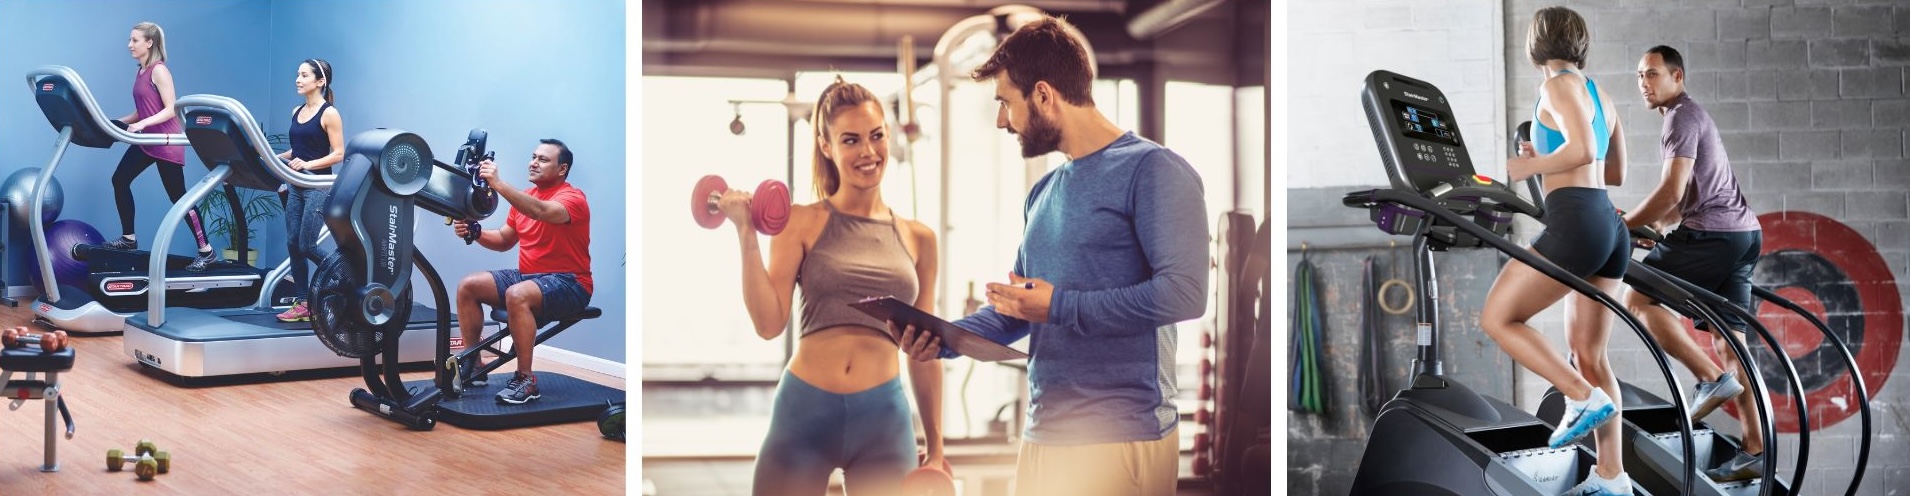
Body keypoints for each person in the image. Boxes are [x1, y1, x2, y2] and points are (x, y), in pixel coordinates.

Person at [897, 16, 1209, 496]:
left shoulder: (1154, 170)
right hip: (1043, 434)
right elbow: (1020, 308)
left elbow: (1185, 295)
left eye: (1005, 103)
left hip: (1120, 436)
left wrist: (1058, 305)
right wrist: (943, 338)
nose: (1002, 120)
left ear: (1043, 94)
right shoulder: (1043, 191)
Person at [714, 77, 945, 496]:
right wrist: (747, 233)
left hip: (884, 418)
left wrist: (937, 445)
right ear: (826, 146)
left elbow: (924, 352)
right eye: (851, 140)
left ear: (888, 137)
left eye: (876, 136)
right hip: (805, 410)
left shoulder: (920, 238)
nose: (868, 152)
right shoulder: (799, 221)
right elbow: (768, 324)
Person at [1486, 7, 1635, 495]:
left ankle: (1577, 396)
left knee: (1499, 318)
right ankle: (1612, 478)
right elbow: (1613, 173)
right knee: (1589, 355)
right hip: (1608, 225)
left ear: (1535, 45)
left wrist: (1528, 168)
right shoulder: (1601, 95)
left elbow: (1581, 148)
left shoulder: (1556, 86)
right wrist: (1544, 161)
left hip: (1578, 221)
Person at [1624, 44, 1767, 482]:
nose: (1644, 83)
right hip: (1744, 235)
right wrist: (1642, 228)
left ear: (1677, 76)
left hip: (1713, 234)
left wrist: (1622, 225)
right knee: (1732, 344)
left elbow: (1671, 191)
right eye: (1639, 77)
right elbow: (1677, 205)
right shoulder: (1692, 116)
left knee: (1638, 299)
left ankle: (1708, 379)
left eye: (1652, 74)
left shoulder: (1680, 117)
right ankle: (1754, 450)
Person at [450, 139, 592, 405]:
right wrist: (475, 232)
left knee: (517, 294)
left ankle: (525, 379)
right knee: (468, 285)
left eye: (543, 159)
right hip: (529, 276)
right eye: (533, 156)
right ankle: (475, 365)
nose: (533, 162)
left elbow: (541, 211)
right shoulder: (524, 200)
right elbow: (504, 240)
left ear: (562, 169)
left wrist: (498, 184)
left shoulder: (573, 199)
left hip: (570, 282)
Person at [104, 21, 219, 271]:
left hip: (165, 141)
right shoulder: (141, 70)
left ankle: (206, 251)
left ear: (149, 42)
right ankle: (128, 238)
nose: (129, 45)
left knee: (178, 198)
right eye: (130, 39)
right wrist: (115, 122)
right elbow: (143, 109)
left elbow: (171, 109)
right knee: (120, 179)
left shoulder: (159, 70)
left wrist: (141, 124)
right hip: (147, 141)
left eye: (134, 40)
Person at [274, 59, 343, 323]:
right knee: (293, 243)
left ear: (320, 81)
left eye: (304, 75)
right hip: (296, 185)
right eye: (297, 74)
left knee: (307, 245)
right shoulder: (296, 111)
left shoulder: (329, 114)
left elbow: (338, 154)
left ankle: (346, 279)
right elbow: (298, 151)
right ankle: (303, 303)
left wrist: (308, 164)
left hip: (318, 186)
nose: (298, 79)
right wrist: (273, 157)